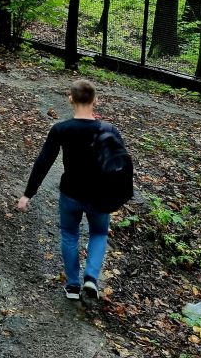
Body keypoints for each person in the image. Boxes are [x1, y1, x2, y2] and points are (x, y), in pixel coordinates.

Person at [16, 79, 124, 301]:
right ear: (96, 100)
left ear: (70, 99)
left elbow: (43, 161)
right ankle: (91, 278)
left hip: (70, 193)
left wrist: (28, 194)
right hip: (100, 195)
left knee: (69, 235)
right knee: (99, 233)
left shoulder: (61, 129)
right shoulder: (108, 130)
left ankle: (73, 286)